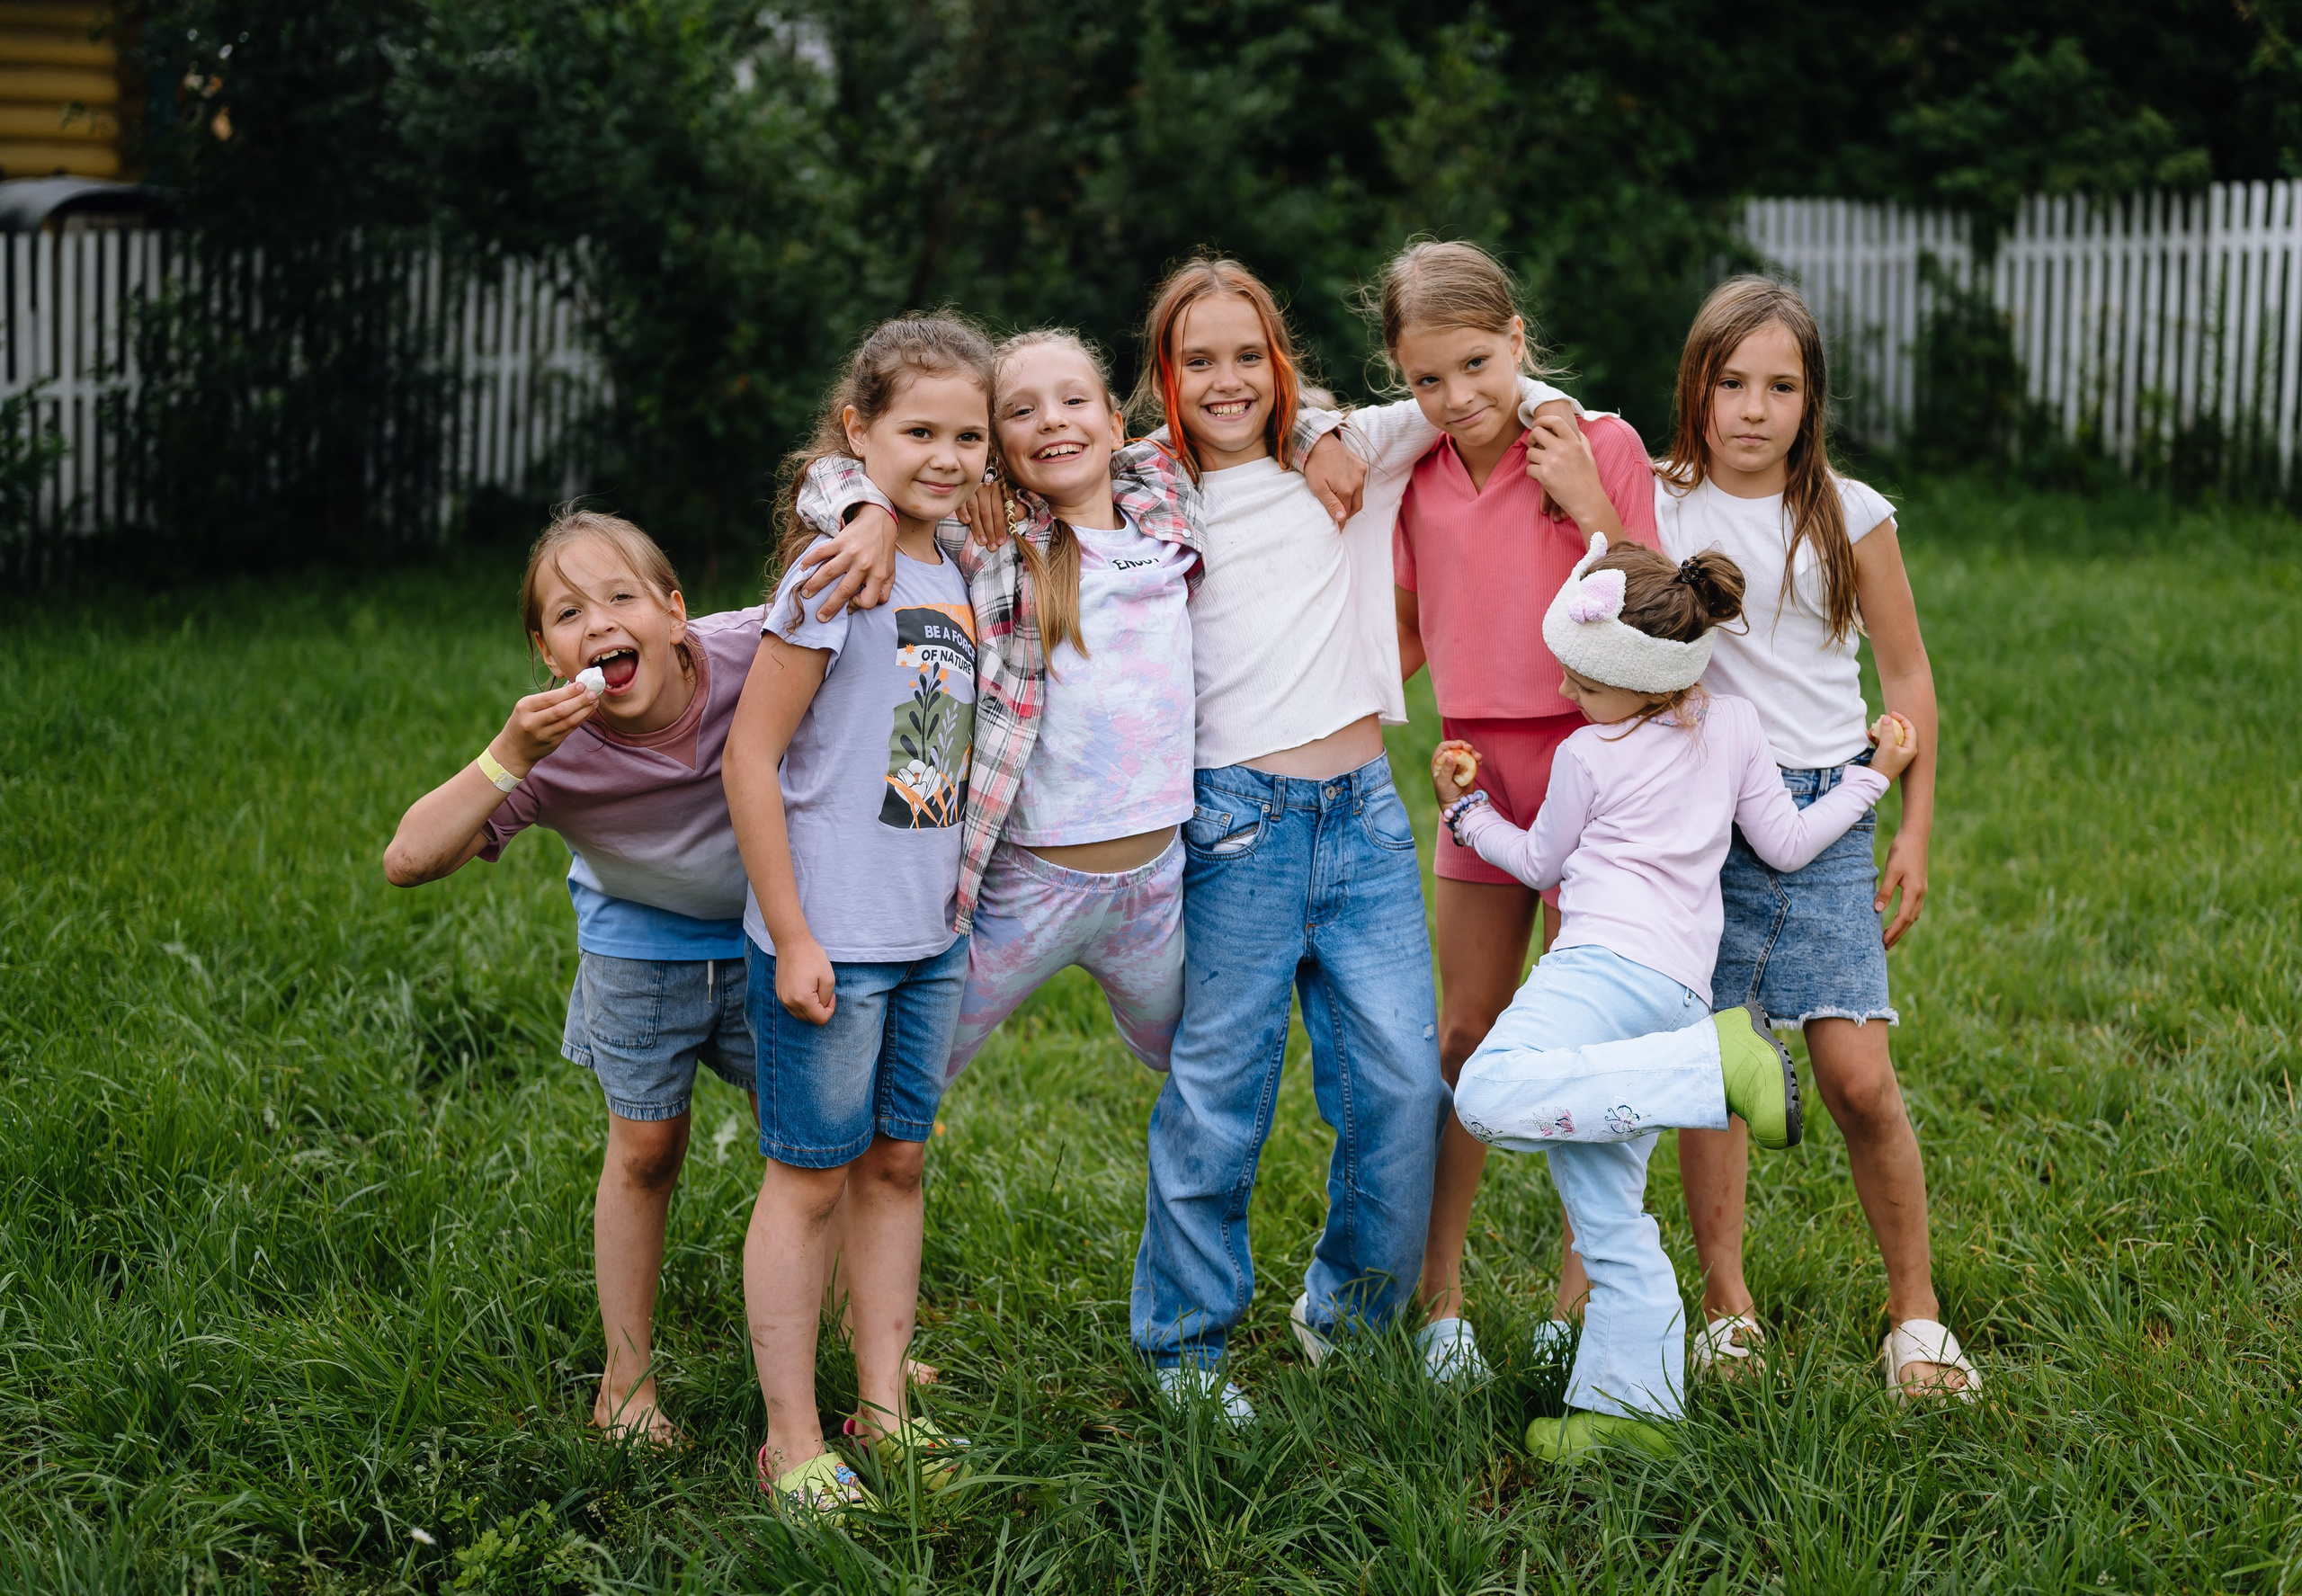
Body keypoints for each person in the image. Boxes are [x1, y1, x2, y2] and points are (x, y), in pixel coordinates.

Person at [1438, 533, 1917, 1459]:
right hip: (1672, 994)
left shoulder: (1584, 756)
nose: (1567, 691)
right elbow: (1784, 841)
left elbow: (1541, 862)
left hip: (1596, 977)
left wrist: (1466, 814)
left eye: (1582, 676)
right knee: (1611, 1214)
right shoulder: (1732, 724)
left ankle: (1717, 1063)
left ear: (1643, 676)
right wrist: (1872, 778)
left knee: (1487, 1091)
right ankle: (1633, 1411)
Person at [1651, 277, 1976, 1400]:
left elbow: (1908, 671)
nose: (1752, 407)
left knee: (1856, 1075)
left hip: (1831, 801)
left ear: (1810, 397)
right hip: (1703, 808)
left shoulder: (1851, 511)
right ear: (1695, 386)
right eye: (1730, 382)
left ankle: (1917, 1315)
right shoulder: (1654, 503)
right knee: (1717, 1069)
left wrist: (1916, 826)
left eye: (1779, 386)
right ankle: (1727, 1308)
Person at [1344, 238, 1661, 1380]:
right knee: (1466, 1036)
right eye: (1426, 379)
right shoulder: (1415, 476)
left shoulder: (1601, 444)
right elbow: (1415, 629)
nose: (1456, 398)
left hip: (1604, 772)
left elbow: (1658, 609)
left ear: (1517, 339)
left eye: (1476, 364)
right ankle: (1439, 1298)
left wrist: (1585, 504)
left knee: (1592, 1040)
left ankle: (1588, 1290)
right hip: (1475, 779)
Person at [381, 508, 762, 1449]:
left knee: (813, 1146)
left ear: (676, 612)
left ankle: (856, 1327)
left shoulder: (757, 653)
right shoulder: (553, 749)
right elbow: (408, 858)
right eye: (566, 613)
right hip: (639, 949)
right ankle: (625, 1381)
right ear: (545, 652)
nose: (597, 623)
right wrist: (508, 755)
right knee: (646, 1150)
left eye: (620, 597)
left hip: (773, 934)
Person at [722, 317, 988, 1517]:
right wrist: (792, 930)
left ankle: (881, 1406)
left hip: (930, 930)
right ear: (859, 431)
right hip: (831, 932)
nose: (946, 454)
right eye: (917, 431)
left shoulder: (960, 562)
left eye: (966, 434)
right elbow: (750, 754)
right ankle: (792, 1437)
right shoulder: (833, 567)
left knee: (898, 1162)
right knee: (810, 1176)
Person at [792, 329, 1202, 1083]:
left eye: (1073, 401)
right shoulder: (990, 540)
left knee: (1204, 1063)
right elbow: (828, 474)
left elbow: (1258, 419)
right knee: (910, 1072)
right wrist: (870, 514)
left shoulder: (1169, 505)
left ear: (1116, 423)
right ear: (993, 449)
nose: (1051, 420)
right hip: (1028, 882)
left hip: (1155, 884)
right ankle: (838, 1166)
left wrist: (1319, 433)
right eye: (1020, 410)